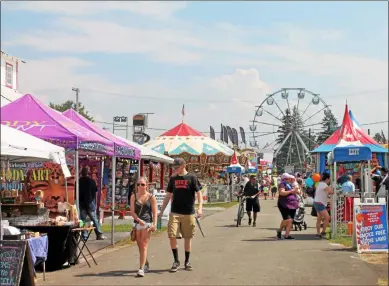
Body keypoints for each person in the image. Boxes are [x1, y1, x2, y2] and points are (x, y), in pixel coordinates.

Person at [159, 158, 203, 272]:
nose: (175, 169)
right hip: (175, 212)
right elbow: (168, 196)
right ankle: (176, 261)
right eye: (174, 167)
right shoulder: (173, 179)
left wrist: (200, 208)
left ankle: (187, 261)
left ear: (184, 165)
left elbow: (199, 194)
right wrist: (161, 211)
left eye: (177, 167)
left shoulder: (192, 178)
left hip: (188, 213)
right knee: (172, 235)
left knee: (187, 238)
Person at [130, 176, 157, 277]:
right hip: (137, 223)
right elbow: (132, 212)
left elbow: (155, 213)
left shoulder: (151, 197)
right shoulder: (133, 196)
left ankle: (141, 269)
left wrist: (154, 224)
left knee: (144, 245)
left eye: (142, 184)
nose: (140, 186)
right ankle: (145, 262)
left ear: (146, 185)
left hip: (147, 223)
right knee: (140, 245)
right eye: (138, 184)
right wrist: (138, 220)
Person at [78, 167, 106, 240]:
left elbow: (76, 193)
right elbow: (95, 192)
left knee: (83, 220)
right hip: (90, 202)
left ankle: (84, 236)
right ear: (88, 173)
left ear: (82, 173)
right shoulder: (91, 181)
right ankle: (99, 234)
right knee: (94, 219)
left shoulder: (78, 181)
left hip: (81, 203)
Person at [276, 173, 299, 240]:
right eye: (288, 178)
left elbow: (297, 192)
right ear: (284, 179)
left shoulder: (291, 184)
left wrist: (296, 190)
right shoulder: (282, 184)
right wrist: (291, 191)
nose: (290, 179)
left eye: (290, 178)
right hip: (284, 204)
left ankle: (286, 235)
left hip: (293, 204)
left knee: (291, 220)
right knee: (288, 219)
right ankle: (279, 230)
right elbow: (281, 192)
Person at [313, 172, 333, 239]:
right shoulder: (324, 185)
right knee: (327, 218)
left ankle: (318, 233)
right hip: (320, 203)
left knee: (319, 219)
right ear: (327, 179)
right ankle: (323, 232)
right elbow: (331, 192)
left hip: (317, 202)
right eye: (329, 179)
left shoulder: (320, 184)